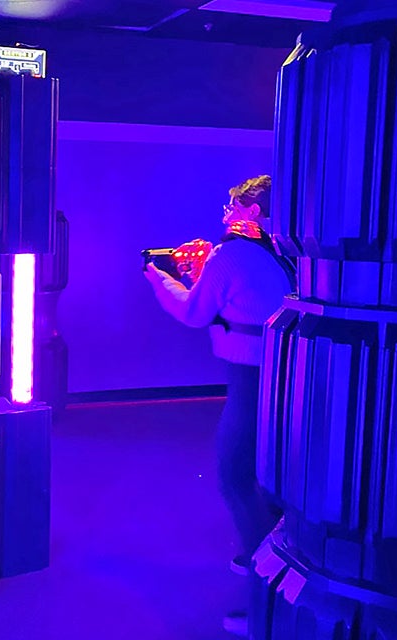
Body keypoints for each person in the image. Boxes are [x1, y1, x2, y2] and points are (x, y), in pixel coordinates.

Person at [143, 175, 293, 636]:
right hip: (285, 372)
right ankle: (268, 557)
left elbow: (193, 313)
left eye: (235, 206)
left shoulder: (230, 254)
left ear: (254, 212)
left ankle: (267, 603)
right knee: (266, 477)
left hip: (251, 374)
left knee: (234, 475)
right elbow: (241, 303)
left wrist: (157, 274)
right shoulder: (279, 252)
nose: (227, 213)